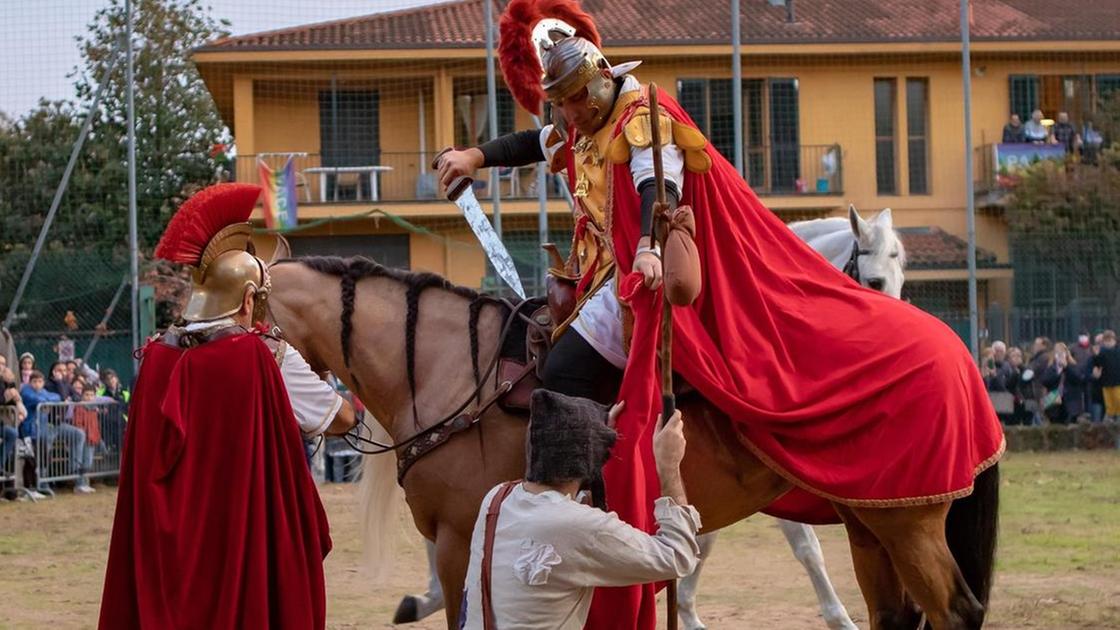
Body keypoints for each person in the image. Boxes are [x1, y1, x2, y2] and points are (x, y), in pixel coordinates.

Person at [441, 5, 1002, 625]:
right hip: (605, 273)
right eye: (562, 105)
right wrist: (475, 155)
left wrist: (651, 249)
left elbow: (663, 187)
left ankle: (586, 515)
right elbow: (535, 141)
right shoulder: (584, 118)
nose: (568, 117)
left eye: (574, 101)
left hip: (654, 276)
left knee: (565, 371)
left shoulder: (641, 118)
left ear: (601, 80)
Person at [100, 183, 357, 630]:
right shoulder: (265, 356)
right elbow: (341, 419)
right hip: (236, 555)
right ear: (247, 299)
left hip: (165, 564)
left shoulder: (155, 355)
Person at [462, 391, 700, 629]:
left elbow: (563, 513)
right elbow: (678, 556)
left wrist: (594, 445)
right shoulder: (577, 525)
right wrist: (669, 467)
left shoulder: (497, 497)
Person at [19, 370, 90, 493]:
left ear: (43, 382)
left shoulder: (44, 391)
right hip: (29, 431)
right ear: (30, 382)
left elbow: (57, 397)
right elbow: (35, 399)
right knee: (32, 460)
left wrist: (45, 399)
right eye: (34, 381)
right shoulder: (26, 391)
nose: (37, 384)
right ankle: (36, 487)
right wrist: (45, 400)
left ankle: (74, 469)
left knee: (78, 434)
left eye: (40, 381)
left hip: (43, 428)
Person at [1039, 342, 1086, 424]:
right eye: (1057, 352)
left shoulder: (1073, 365)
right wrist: (1058, 372)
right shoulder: (1051, 367)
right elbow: (1044, 381)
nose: (1060, 355)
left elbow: (1079, 378)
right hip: (1054, 401)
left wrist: (1066, 367)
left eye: (1062, 352)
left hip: (1070, 402)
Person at [1092, 330, 1120, 421]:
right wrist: (1096, 356)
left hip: (1117, 382)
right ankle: (1111, 418)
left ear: (1114, 340)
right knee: (1109, 404)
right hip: (1106, 383)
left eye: (1110, 340)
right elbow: (1097, 364)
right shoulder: (1102, 353)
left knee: (1117, 401)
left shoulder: (1117, 351)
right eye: (1106, 341)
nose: (1108, 343)